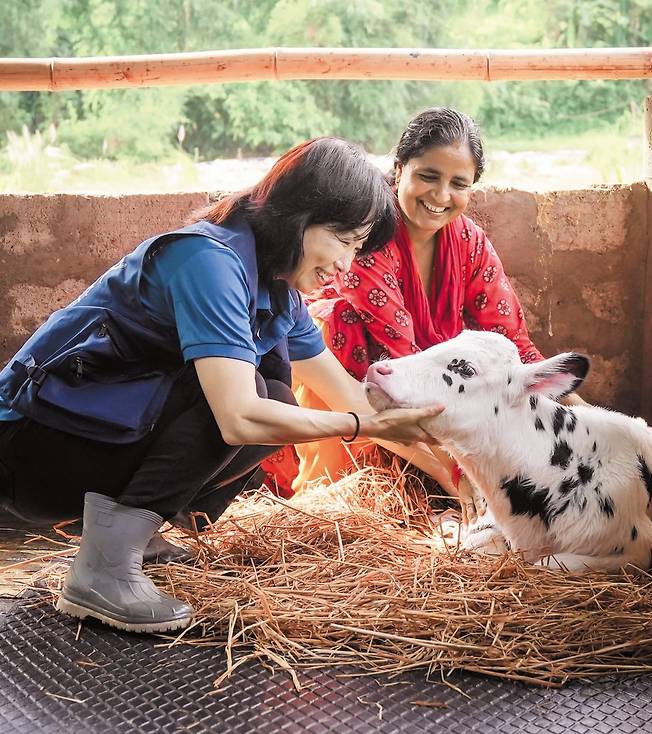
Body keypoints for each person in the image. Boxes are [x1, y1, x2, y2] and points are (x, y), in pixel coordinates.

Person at [0, 137, 444, 634]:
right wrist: (357, 424)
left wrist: (453, 467)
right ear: (301, 216)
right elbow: (239, 416)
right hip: (27, 451)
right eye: (344, 240)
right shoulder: (209, 261)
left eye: (357, 248)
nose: (346, 264)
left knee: (273, 391)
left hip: (87, 436)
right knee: (252, 398)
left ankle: (130, 536)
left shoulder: (278, 289)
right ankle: (102, 570)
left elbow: (348, 395)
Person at [263, 108, 554, 498]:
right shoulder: (369, 235)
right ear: (400, 169)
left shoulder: (468, 242)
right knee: (332, 322)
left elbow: (513, 342)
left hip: (428, 395)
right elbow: (403, 362)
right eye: (428, 176)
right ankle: (336, 485)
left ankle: (433, 476)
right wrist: (457, 468)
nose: (440, 196)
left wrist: (581, 414)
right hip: (358, 381)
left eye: (458, 184)